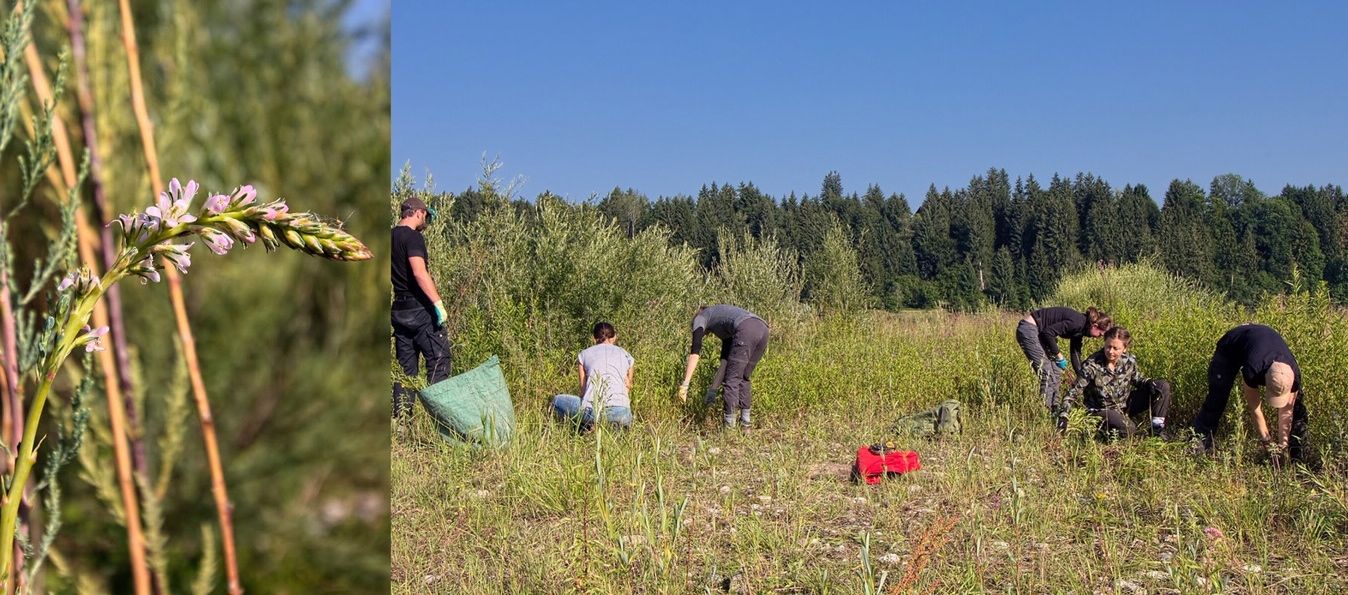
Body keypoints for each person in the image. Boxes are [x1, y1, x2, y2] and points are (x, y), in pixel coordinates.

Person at [1193, 324, 1309, 462]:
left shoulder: (1293, 374)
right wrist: (1268, 444)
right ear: (1265, 378)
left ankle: (1298, 458)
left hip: (1259, 345)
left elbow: (1286, 412)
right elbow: (1255, 409)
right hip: (1231, 346)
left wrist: (1282, 447)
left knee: (1298, 409)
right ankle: (1198, 446)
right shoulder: (1253, 369)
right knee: (1217, 397)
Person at [391, 196, 451, 422]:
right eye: (426, 215)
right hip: (420, 310)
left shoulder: (391, 236)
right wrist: (438, 304)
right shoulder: (413, 237)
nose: (426, 220)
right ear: (418, 212)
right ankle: (442, 422)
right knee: (439, 360)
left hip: (399, 309)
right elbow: (419, 272)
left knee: (406, 371)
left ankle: (402, 422)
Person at [1063, 326, 1172, 439]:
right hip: (1102, 410)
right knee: (1129, 429)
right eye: (1108, 346)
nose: (1110, 351)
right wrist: (1064, 416)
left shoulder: (1128, 360)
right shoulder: (1092, 365)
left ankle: (1156, 430)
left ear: (1124, 348)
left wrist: (1148, 382)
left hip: (1124, 405)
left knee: (1162, 386)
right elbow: (1073, 393)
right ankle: (1103, 433)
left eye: (1116, 348)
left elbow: (1137, 379)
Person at [1014, 306, 1111, 427]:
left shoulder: (1081, 329)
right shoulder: (1077, 322)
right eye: (1100, 334)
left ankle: (1054, 409)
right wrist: (1059, 355)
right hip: (1029, 329)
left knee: (1056, 371)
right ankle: (1045, 414)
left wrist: (1082, 375)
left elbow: (1075, 353)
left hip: (1039, 332)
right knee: (1047, 373)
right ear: (1095, 326)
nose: (1099, 337)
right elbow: (1048, 333)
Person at [677, 304, 769, 430]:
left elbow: (695, 351)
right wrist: (713, 390)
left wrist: (685, 385)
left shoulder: (700, 318)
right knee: (743, 377)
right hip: (763, 329)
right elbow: (725, 363)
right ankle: (745, 425)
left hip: (746, 328)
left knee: (732, 380)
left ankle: (729, 429)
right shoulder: (725, 328)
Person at [550, 322, 634, 431]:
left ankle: (584, 428)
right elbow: (628, 385)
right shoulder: (626, 355)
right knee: (618, 414)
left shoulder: (584, 355)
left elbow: (583, 390)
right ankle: (612, 426)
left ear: (593, 339)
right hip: (623, 413)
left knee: (557, 400)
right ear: (614, 337)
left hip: (594, 411)